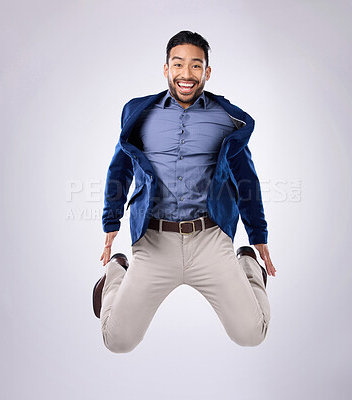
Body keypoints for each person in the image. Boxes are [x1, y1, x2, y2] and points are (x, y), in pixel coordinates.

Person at [93, 30, 277, 353]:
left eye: (196, 66)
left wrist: (257, 235)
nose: (186, 74)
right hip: (154, 242)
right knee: (116, 341)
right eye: (178, 65)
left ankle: (246, 265)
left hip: (210, 239)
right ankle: (116, 272)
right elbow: (119, 169)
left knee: (252, 333)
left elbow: (246, 176)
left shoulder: (225, 118)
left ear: (207, 72)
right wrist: (111, 224)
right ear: (166, 69)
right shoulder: (139, 115)